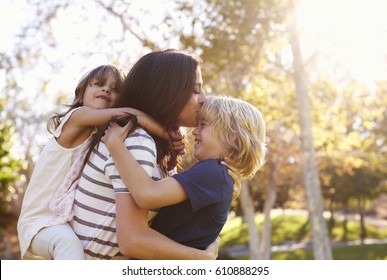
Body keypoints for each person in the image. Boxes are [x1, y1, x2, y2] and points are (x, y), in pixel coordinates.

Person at [72, 49, 220, 259]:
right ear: (168, 92)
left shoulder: (148, 143)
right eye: (196, 90)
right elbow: (133, 242)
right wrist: (201, 258)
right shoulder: (136, 141)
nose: (204, 99)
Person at [17, 65, 171, 260]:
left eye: (115, 89)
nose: (106, 89)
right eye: (98, 84)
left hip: (63, 221)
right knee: (68, 244)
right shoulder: (76, 118)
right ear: (82, 94)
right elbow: (131, 114)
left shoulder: (100, 137)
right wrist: (168, 135)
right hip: (39, 222)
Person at [102, 95, 267, 249]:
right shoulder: (219, 175)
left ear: (232, 137)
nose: (194, 131)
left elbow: (147, 195)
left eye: (203, 125)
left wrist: (115, 144)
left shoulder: (213, 172)